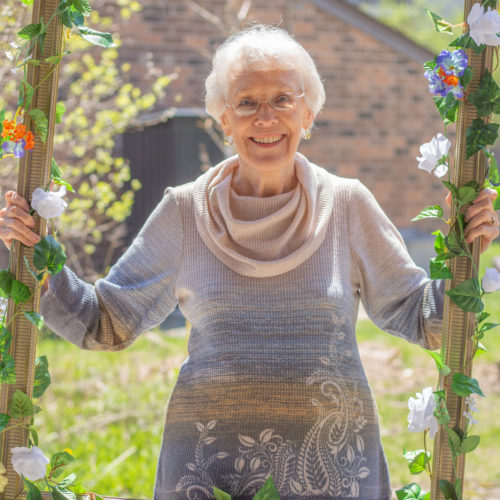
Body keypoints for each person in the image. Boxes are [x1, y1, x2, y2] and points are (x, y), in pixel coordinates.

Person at [0, 26, 499, 500]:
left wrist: (466, 246)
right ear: (224, 120)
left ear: (308, 115)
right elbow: (104, 323)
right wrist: (40, 256)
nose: (266, 117)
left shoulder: (347, 205)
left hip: (335, 471)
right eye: (246, 103)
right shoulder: (183, 211)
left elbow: (420, 315)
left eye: (283, 99)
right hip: (206, 469)